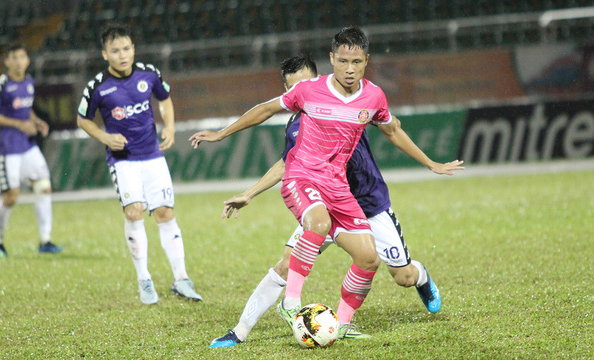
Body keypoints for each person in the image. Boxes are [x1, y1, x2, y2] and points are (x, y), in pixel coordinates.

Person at [191, 27, 463, 338]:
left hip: (365, 200)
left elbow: (393, 129)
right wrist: (246, 187)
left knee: (393, 271)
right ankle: (243, 329)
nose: (350, 69)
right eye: (344, 61)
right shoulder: (302, 115)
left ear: (364, 61)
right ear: (332, 60)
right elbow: (284, 160)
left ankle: (415, 281)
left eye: (356, 62)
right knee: (291, 255)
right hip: (315, 196)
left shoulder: (370, 99)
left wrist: (430, 163)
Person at [76, 24, 201, 304]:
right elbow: (82, 119)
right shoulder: (97, 86)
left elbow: (165, 98)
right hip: (124, 161)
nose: (123, 55)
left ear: (133, 49)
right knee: (134, 213)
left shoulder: (149, 73)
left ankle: (181, 279)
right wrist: (105, 137)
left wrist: (169, 126)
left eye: (127, 48)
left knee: (165, 214)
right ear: (105, 54)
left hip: (153, 155)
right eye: (115, 50)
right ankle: (144, 278)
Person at [0, 43, 63, 258]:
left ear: (27, 60)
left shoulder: (28, 82)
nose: (19, 61)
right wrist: (19, 125)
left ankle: (45, 241)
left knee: (44, 187)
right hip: (8, 148)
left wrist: (37, 122)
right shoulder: (2, 84)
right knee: (11, 197)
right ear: (7, 62)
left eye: (22, 57)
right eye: (14, 58)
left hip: (27, 146)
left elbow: (25, 110)